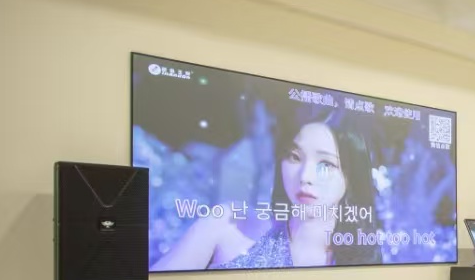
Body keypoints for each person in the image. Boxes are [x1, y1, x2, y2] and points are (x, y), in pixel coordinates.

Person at [154, 110, 381, 270]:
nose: (305, 177)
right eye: (294, 157)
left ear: (351, 177)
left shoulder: (362, 255)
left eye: (326, 165)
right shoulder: (227, 223)